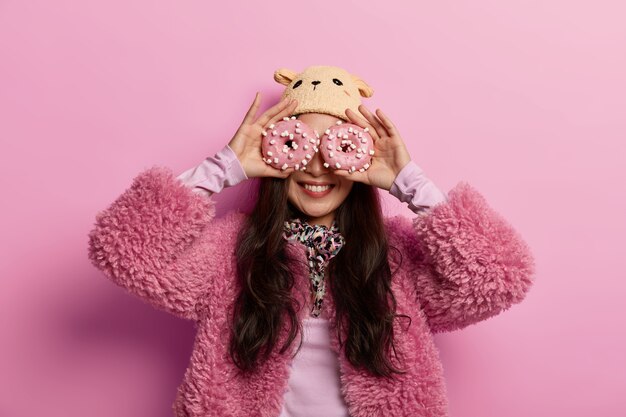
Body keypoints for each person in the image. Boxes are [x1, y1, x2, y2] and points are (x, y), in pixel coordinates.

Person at [88, 65, 536, 417]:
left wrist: (407, 181)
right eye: (300, 145)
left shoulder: (396, 258)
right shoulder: (231, 252)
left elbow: (500, 278)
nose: (317, 168)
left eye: (337, 148)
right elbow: (125, 249)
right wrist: (222, 168)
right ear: (276, 150)